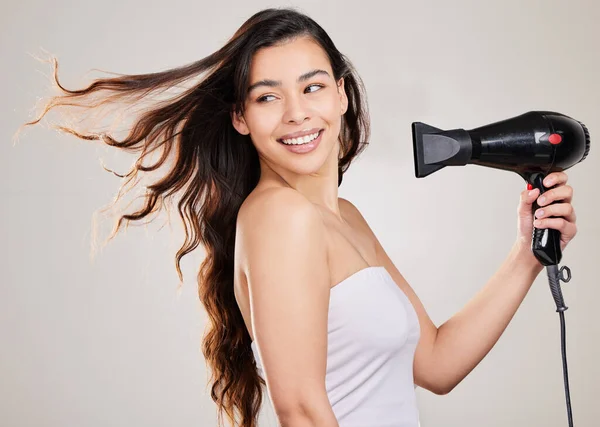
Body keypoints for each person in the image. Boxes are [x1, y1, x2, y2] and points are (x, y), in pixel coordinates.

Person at [18, 7, 578, 427]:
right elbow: (304, 411)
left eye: (312, 87)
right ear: (240, 117)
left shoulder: (345, 218)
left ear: (340, 95)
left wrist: (527, 252)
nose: (296, 113)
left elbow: (434, 364)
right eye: (267, 97)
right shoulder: (279, 216)